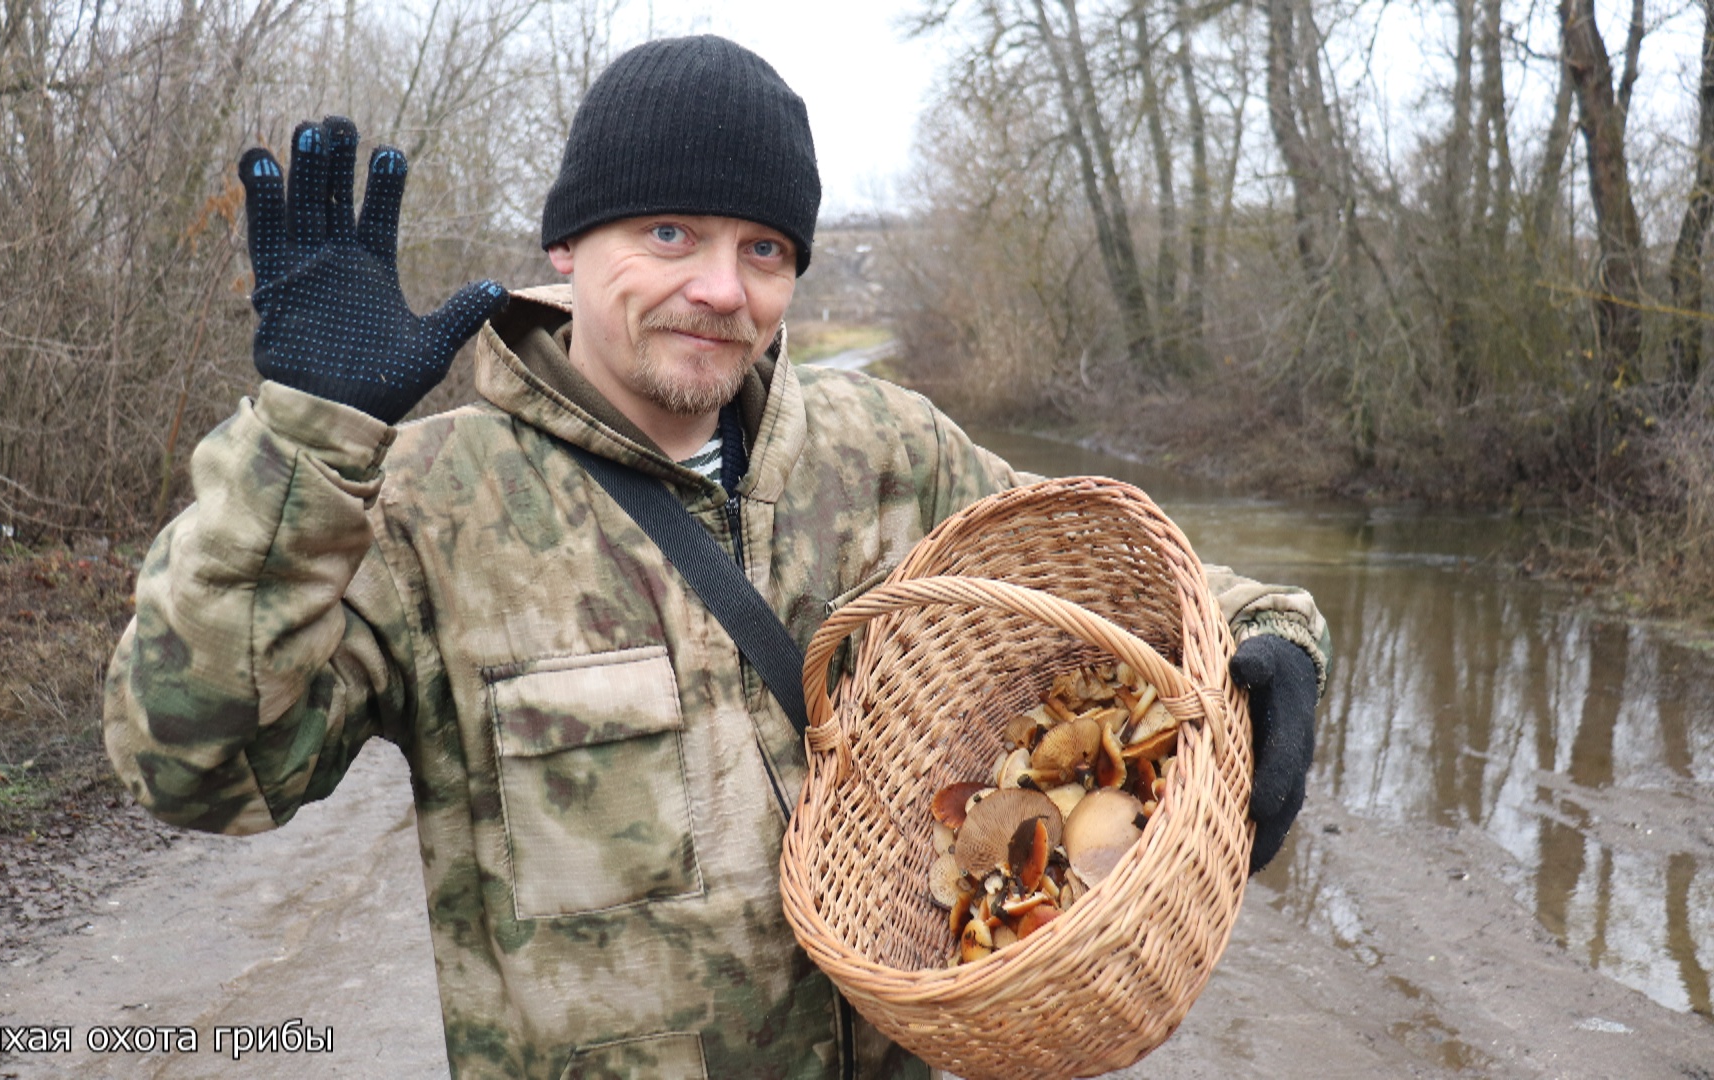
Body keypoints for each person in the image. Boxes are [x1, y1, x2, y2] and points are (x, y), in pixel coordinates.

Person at [103, 34, 1330, 1080]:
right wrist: (308, 440)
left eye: (764, 250)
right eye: (671, 231)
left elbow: (1118, 581)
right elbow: (197, 768)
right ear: (568, 249)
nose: (719, 289)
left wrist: (1269, 633)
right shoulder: (432, 507)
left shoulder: (888, 453)